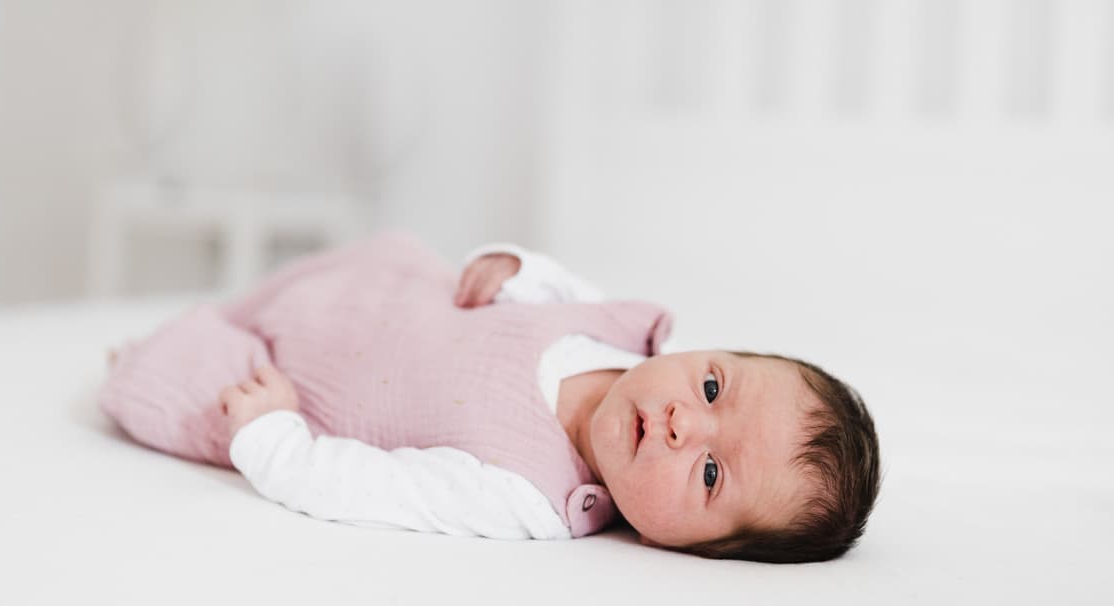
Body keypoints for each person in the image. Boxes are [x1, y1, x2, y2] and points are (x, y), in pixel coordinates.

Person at [100, 230, 880, 563]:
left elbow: (375, 488)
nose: (684, 422)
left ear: (687, 547)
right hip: (377, 296)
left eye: (710, 473)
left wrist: (276, 440)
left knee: (195, 394)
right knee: (392, 256)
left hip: (303, 376)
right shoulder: (618, 330)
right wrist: (509, 265)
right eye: (711, 386)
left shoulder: (527, 494)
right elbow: (546, 286)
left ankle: (156, 352)